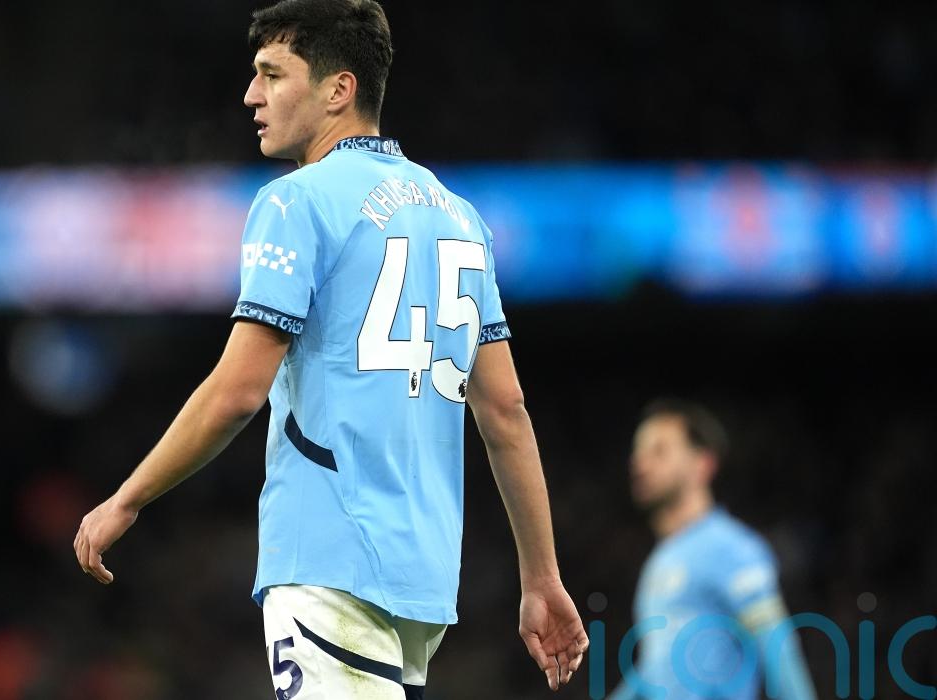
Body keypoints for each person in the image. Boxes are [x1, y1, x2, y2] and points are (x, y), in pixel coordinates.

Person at [74, 0, 587, 696]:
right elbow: (505, 410)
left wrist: (128, 498)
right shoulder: (461, 218)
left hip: (327, 560)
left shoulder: (296, 202)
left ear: (338, 89)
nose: (250, 95)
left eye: (272, 74)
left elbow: (237, 392)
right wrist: (542, 577)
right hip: (423, 581)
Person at [611, 399, 816, 700]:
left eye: (659, 451)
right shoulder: (660, 561)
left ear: (703, 464)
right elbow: (655, 669)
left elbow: (778, 646)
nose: (640, 463)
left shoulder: (732, 548)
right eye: (638, 452)